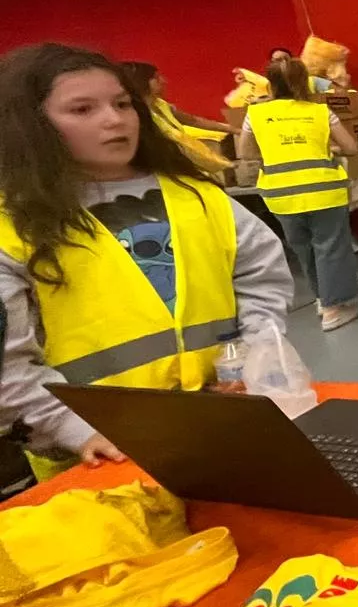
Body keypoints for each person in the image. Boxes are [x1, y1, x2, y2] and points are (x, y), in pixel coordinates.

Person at [0, 44, 292, 479]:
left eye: (122, 104)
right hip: (98, 458)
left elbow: (261, 279)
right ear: (30, 124)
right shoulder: (13, 226)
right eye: (82, 109)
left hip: (222, 425)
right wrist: (72, 429)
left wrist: (253, 358)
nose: (114, 119)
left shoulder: (198, 197)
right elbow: (8, 366)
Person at [239, 59, 358, 332]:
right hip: (324, 191)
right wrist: (329, 148)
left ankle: (321, 298)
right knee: (330, 247)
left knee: (303, 249)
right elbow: (351, 147)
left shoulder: (255, 114)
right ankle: (333, 309)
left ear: (270, 84)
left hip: (280, 195)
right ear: (304, 81)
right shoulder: (320, 112)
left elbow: (245, 153)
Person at [123, 61, 239, 136]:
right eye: (156, 78)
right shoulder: (134, 117)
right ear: (141, 81)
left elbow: (193, 121)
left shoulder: (161, 105)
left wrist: (233, 129)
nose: (163, 81)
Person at [269, 47, 333, 94]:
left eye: (286, 59)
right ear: (271, 64)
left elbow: (335, 93)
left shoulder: (313, 81)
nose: (283, 63)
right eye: (278, 60)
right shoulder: (267, 85)